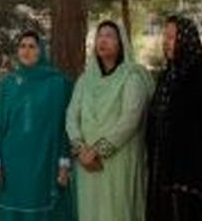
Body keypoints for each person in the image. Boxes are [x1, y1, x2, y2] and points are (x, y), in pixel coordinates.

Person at [145, 16, 202, 221]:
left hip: (197, 173)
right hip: (165, 170)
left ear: (186, 40)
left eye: (171, 37)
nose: (166, 42)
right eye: (165, 37)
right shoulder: (167, 77)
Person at [65, 20, 151, 221]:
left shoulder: (132, 78)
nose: (103, 40)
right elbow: (71, 115)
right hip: (87, 164)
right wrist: (80, 148)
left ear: (121, 43)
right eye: (99, 36)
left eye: (109, 36)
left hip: (117, 161)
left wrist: (98, 150)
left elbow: (130, 119)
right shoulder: (85, 80)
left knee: (117, 212)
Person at [0, 31, 73, 221]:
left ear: (41, 51)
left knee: (39, 209)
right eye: (22, 46)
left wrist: (63, 162)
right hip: (11, 162)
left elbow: (64, 126)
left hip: (43, 160)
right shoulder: (8, 83)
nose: (26, 50)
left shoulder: (58, 84)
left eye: (31, 46)